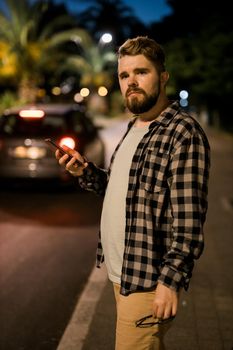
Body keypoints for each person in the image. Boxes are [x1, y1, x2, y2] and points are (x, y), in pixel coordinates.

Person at [55, 36, 210, 350]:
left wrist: (170, 280)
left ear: (163, 77)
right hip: (122, 271)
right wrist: (85, 172)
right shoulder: (134, 126)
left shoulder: (183, 133)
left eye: (141, 72)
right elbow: (122, 188)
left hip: (148, 281)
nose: (131, 82)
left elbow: (189, 220)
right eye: (124, 75)